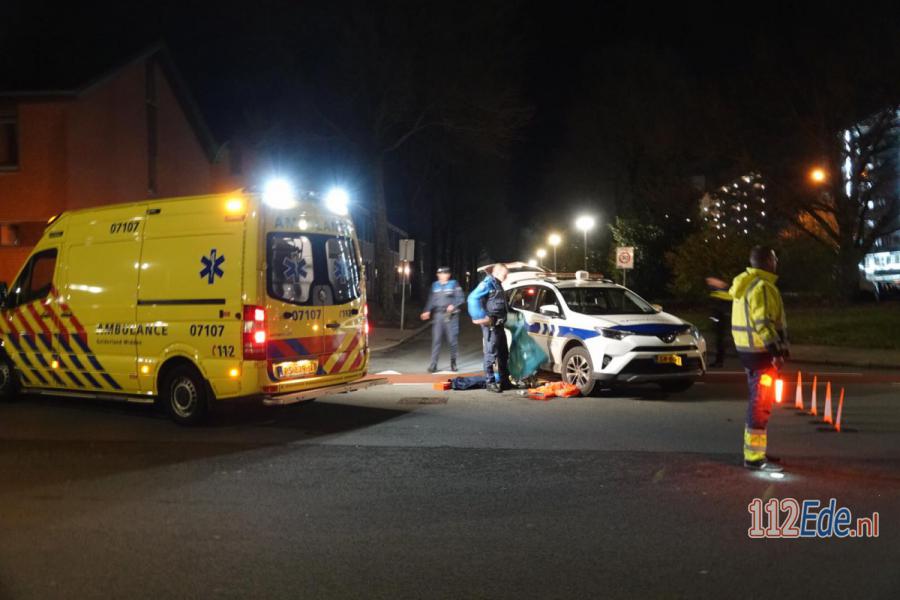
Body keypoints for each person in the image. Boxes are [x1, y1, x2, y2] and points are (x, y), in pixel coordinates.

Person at [729, 246, 789, 472]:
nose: (777, 261)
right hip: (761, 356)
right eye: (774, 257)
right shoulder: (763, 287)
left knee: (759, 402)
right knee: (760, 405)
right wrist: (776, 352)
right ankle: (754, 458)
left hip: (750, 354)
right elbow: (763, 323)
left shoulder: (746, 285)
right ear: (767, 262)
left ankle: (757, 452)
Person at [467, 263, 511, 393]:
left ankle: (505, 381)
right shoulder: (487, 283)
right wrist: (481, 317)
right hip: (491, 326)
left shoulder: (498, 283)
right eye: (505, 273)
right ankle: (490, 382)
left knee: (503, 353)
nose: (507, 276)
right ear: (497, 272)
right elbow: (472, 298)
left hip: (499, 325)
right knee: (490, 354)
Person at [420, 266, 465, 372]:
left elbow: (461, 298)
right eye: (439, 274)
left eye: (443, 274)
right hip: (438, 315)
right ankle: (433, 365)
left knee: (452, 341)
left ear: (448, 275)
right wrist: (427, 310)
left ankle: (453, 363)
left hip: (451, 316)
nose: (441, 276)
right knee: (436, 341)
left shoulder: (454, 284)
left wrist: (453, 305)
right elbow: (431, 299)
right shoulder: (435, 285)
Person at [705, 276, 732, 368]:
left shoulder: (719, 293)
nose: (709, 284)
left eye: (710, 282)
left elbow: (718, 310)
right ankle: (719, 360)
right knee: (719, 341)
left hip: (721, 322)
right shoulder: (721, 292)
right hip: (721, 321)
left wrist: (714, 320)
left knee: (720, 342)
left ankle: (719, 361)